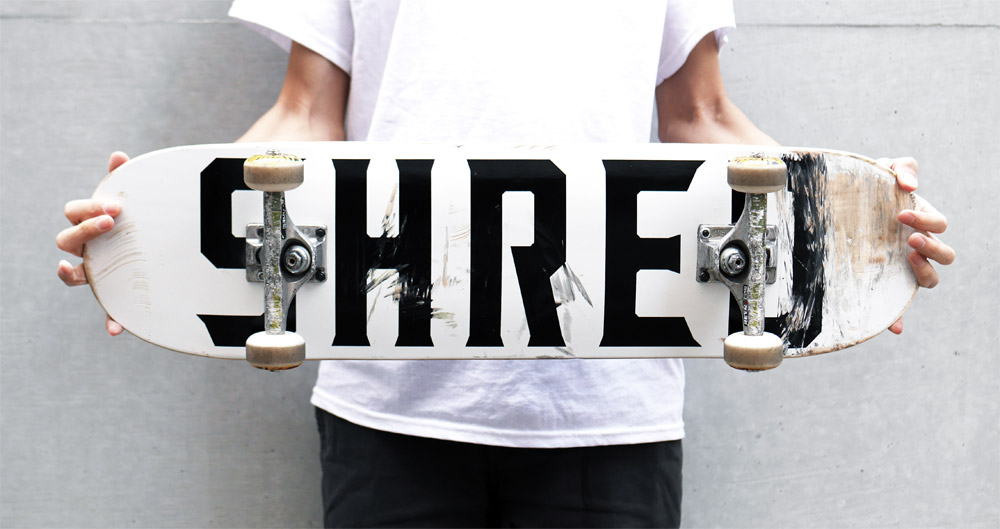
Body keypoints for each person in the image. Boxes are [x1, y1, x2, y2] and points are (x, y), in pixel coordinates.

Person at [56, 1, 955, 527]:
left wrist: (853, 234)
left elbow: (700, 118)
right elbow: (305, 118)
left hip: (607, 412)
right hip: (389, 398)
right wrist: (156, 239)